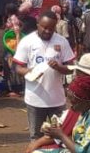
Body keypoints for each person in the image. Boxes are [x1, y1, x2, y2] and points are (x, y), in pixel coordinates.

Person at [13, 11, 76, 140]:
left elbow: (70, 68)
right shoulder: (27, 41)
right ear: (38, 25)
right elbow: (18, 67)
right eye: (44, 27)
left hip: (57, 100)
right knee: (36, 136)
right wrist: (29, 72)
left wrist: (59, 67)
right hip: (35, 100)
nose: (47, 31)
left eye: (51, 28)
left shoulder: (62, 41)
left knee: (61, 136)